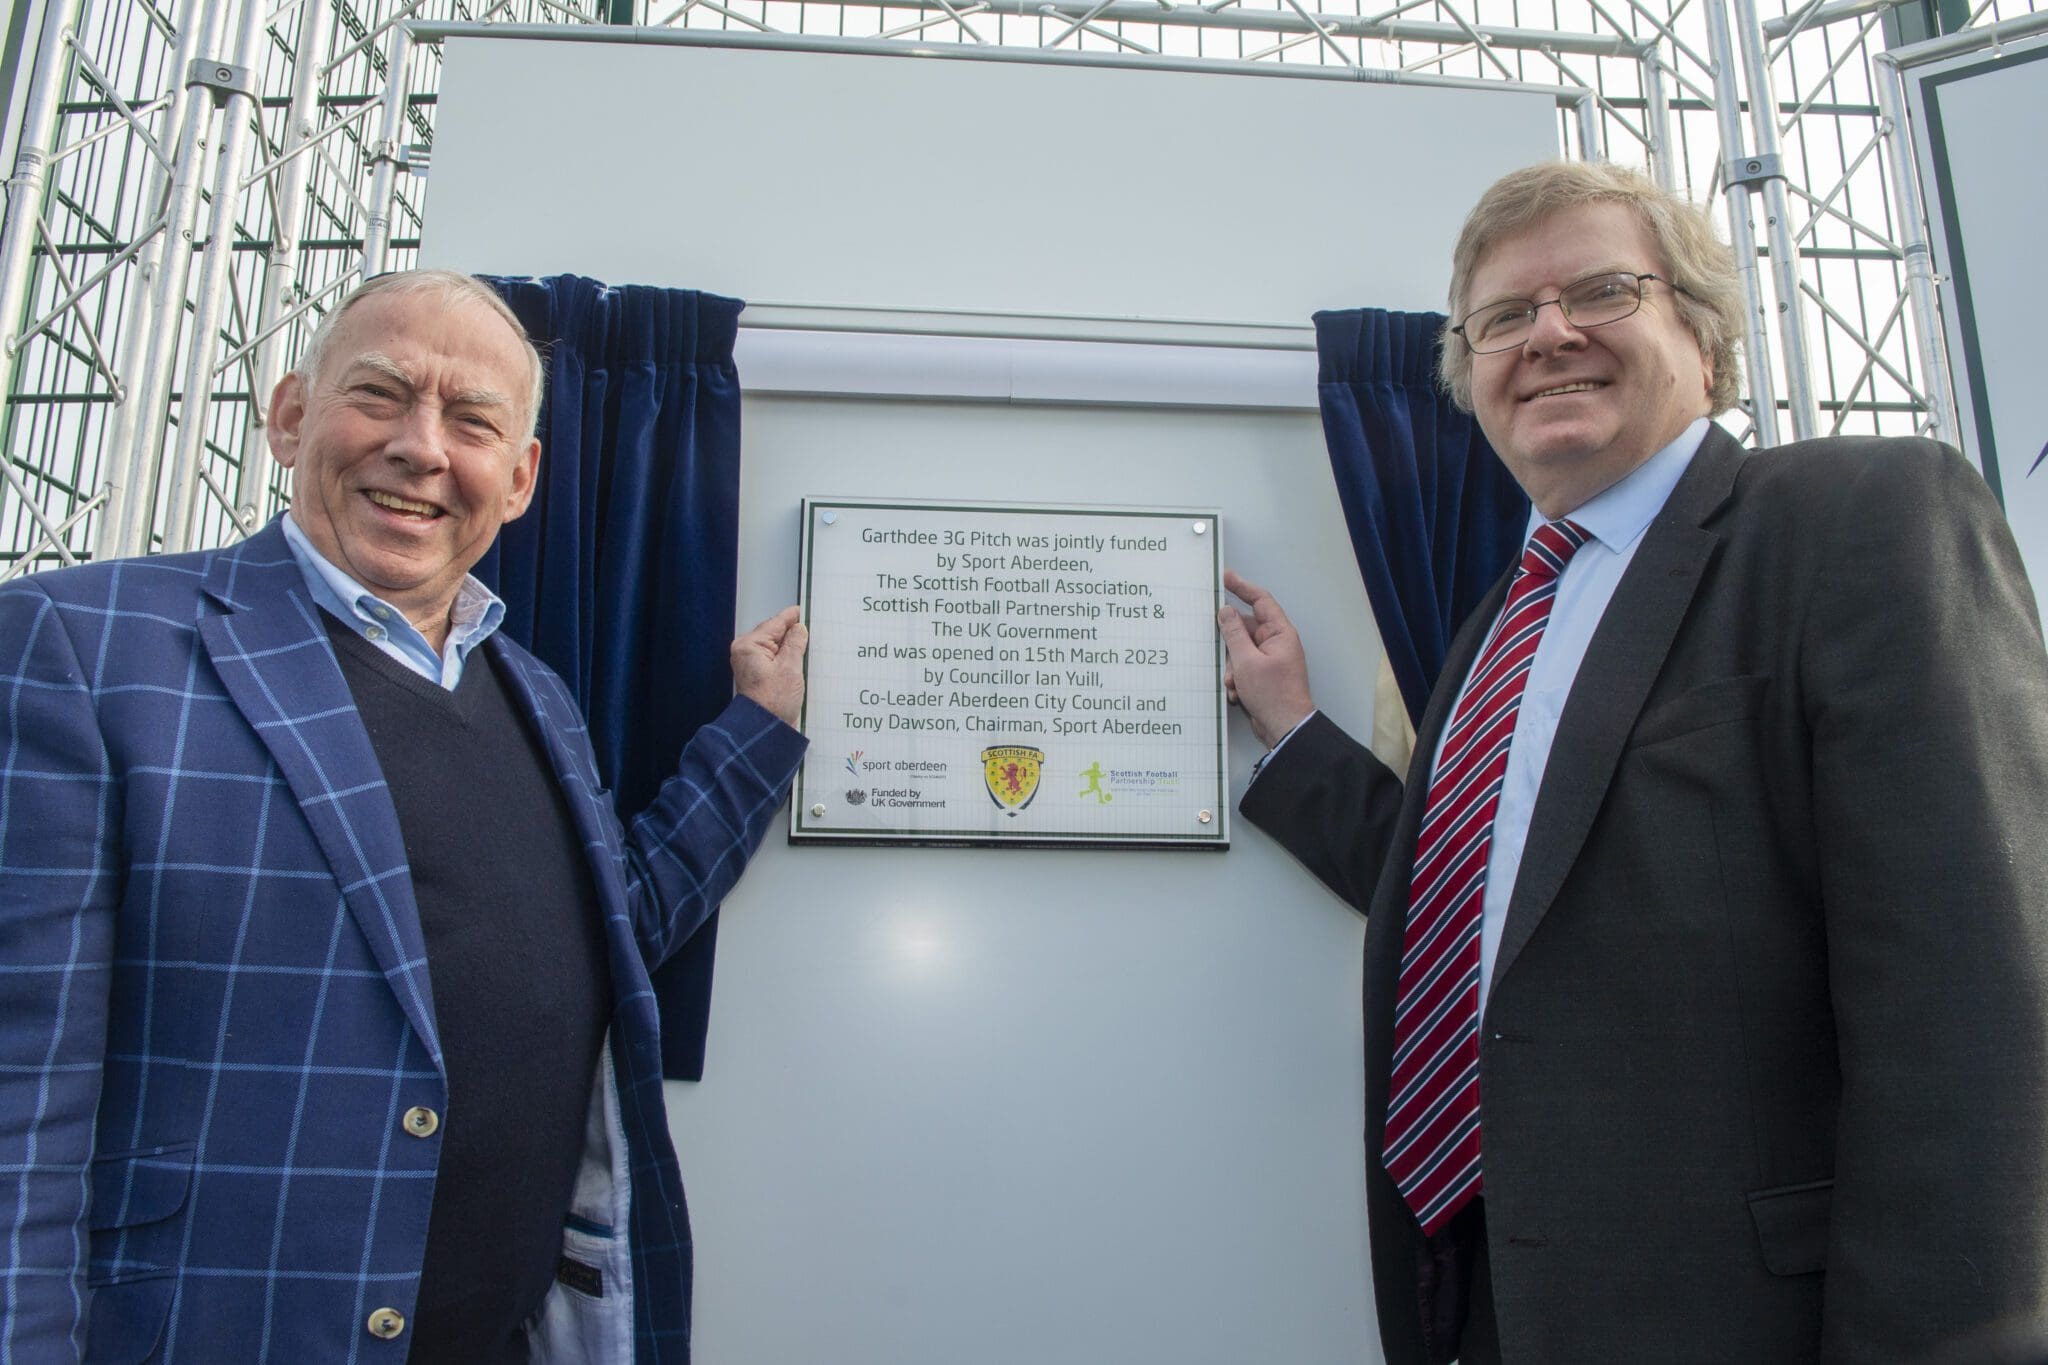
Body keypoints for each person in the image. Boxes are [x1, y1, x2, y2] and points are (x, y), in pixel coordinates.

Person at [1220, 162, 2048, 1363]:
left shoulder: (1852, 515)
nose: (1548, 334)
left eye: (1600, 292)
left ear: (1701, 342)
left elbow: (1977, 994)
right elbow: (1482, 911)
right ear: (1472, 377)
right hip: (1491, 1300)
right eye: (1504, 317)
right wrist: (1294, 734)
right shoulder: (1488, 630)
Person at [0, 270, 809, 1362]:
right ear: (291, 416)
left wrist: (756, 732)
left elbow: (610, 925)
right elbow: (18, 1104)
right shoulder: (84, 649)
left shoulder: (537, 698)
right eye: (380, 396)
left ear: (518, 480)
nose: (423, 448)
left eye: (472, 421)